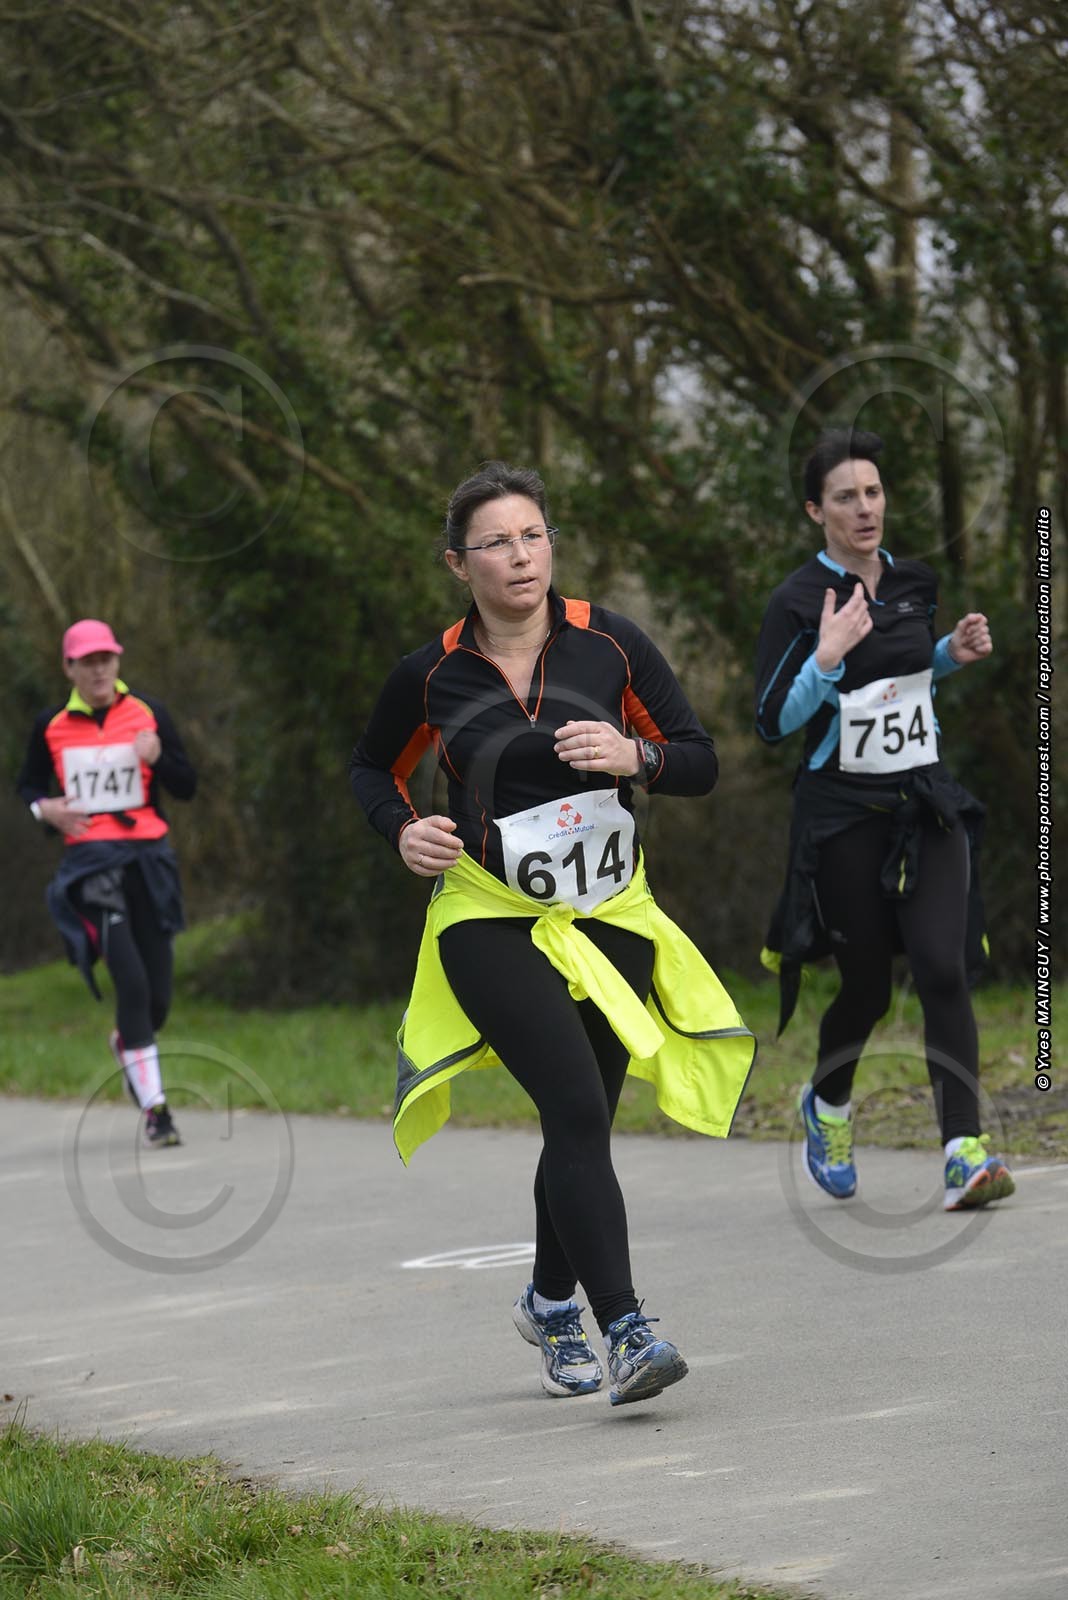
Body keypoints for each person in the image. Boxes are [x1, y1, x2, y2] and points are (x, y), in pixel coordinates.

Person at [350, 462, 754, 1406]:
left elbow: (699, 760)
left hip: (610, 910)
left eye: (534, 535)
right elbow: (373, 768)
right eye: (497, 542)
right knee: (572, 1104)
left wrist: (635, 755)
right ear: (460, 564)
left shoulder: (610, 645)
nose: (521, 555)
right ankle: (626, 1329)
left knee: (584, 1122)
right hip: (489, 912)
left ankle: (548, 1301)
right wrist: (402, 829)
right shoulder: (430, 674)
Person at [755, 428, 1013, 1212]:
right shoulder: (798, 601)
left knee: (942, 967)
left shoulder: (914, 581)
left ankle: (963, 1151)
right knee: (866, 990)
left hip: (924, 802)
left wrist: (949, 652)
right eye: (845, 497)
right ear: (816, 511)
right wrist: (825, 656)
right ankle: (827, 1105)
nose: (865, 508)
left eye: (873, 492)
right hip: (842, 817)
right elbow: (772, 721)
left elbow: (905, 675)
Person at [16, 619, 197, 1147]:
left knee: (157, 996)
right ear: (68, 667)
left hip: (148, 860)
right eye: (87, 662)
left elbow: (187, 785)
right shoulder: (50, 725)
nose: (98, 670)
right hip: (91, 867)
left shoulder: (148, 713)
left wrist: (159, 758)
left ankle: (128, 1044)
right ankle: (157, 1111)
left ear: (117, 662)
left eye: (106, 659)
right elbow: (28, 784)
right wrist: (45, 809)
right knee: (131, 983)